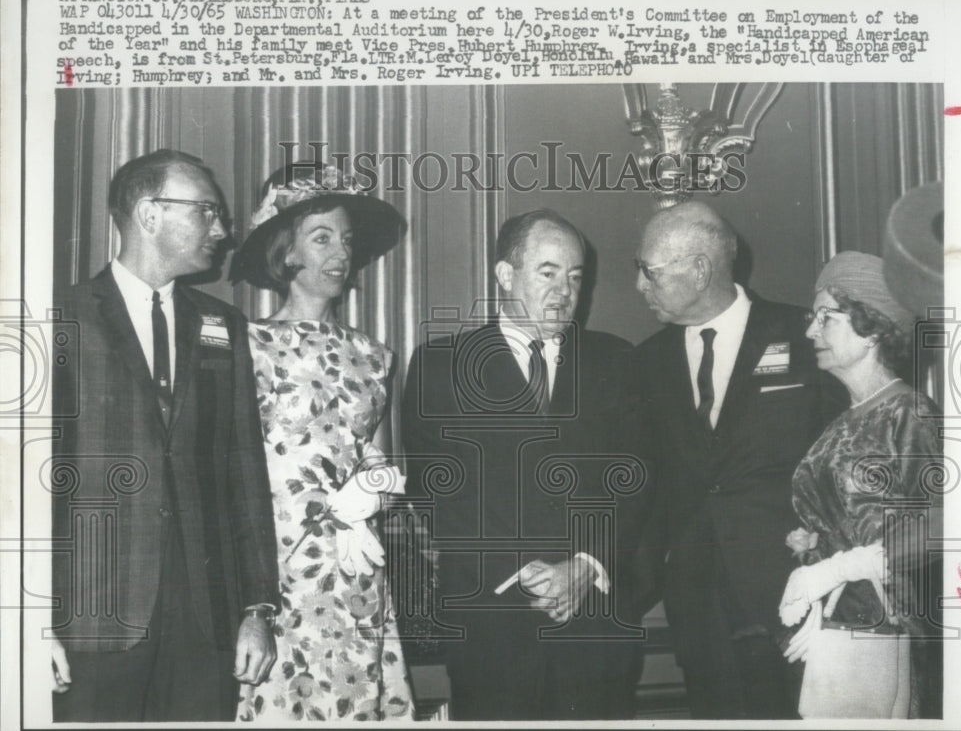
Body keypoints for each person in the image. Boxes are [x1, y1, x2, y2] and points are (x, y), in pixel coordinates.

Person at [49, 150, 280, 722]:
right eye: (206, 211)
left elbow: (243, 468)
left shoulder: (222, 325)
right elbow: (25, 482)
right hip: (91, 617)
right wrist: (31, 619)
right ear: (149, 214)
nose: (222, 231)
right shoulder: (61, 316)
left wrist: (257, 609)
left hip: (205, 622)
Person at [402, 209, 648, 720]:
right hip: (493, 622)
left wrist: (584, 567)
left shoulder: (618, 361)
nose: (564, 290)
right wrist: (528, 574)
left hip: (596, 623)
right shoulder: (440, 366)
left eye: (576, 276)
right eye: (548, 272)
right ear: (505, 275)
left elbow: (639, 484)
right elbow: (438, 495)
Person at [631, 201, 844, 719]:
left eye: (650, 272)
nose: (640, 286)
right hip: (698, 609)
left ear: (700, 270)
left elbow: (846, 468)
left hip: (796, 598)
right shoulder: (646, 362)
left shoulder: (805, 337)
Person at [228, 163, 414, 722]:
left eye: (347, 240)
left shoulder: (374, 355)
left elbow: (390, 464)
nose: (341, 252)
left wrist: (372, 489)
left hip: (356, 570)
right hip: (277, 575)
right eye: (322, 237)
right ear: (287, 253)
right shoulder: (246, 347)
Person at [778, 251, 942, 718]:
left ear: (871, 329)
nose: (811, 330)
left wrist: (836, 569)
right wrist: (813, 547)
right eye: (813, 318)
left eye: (826, 318)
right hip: (841, 627)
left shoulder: (910, 413)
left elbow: (944, 524)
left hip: (891, 634)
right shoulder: (842, 423)